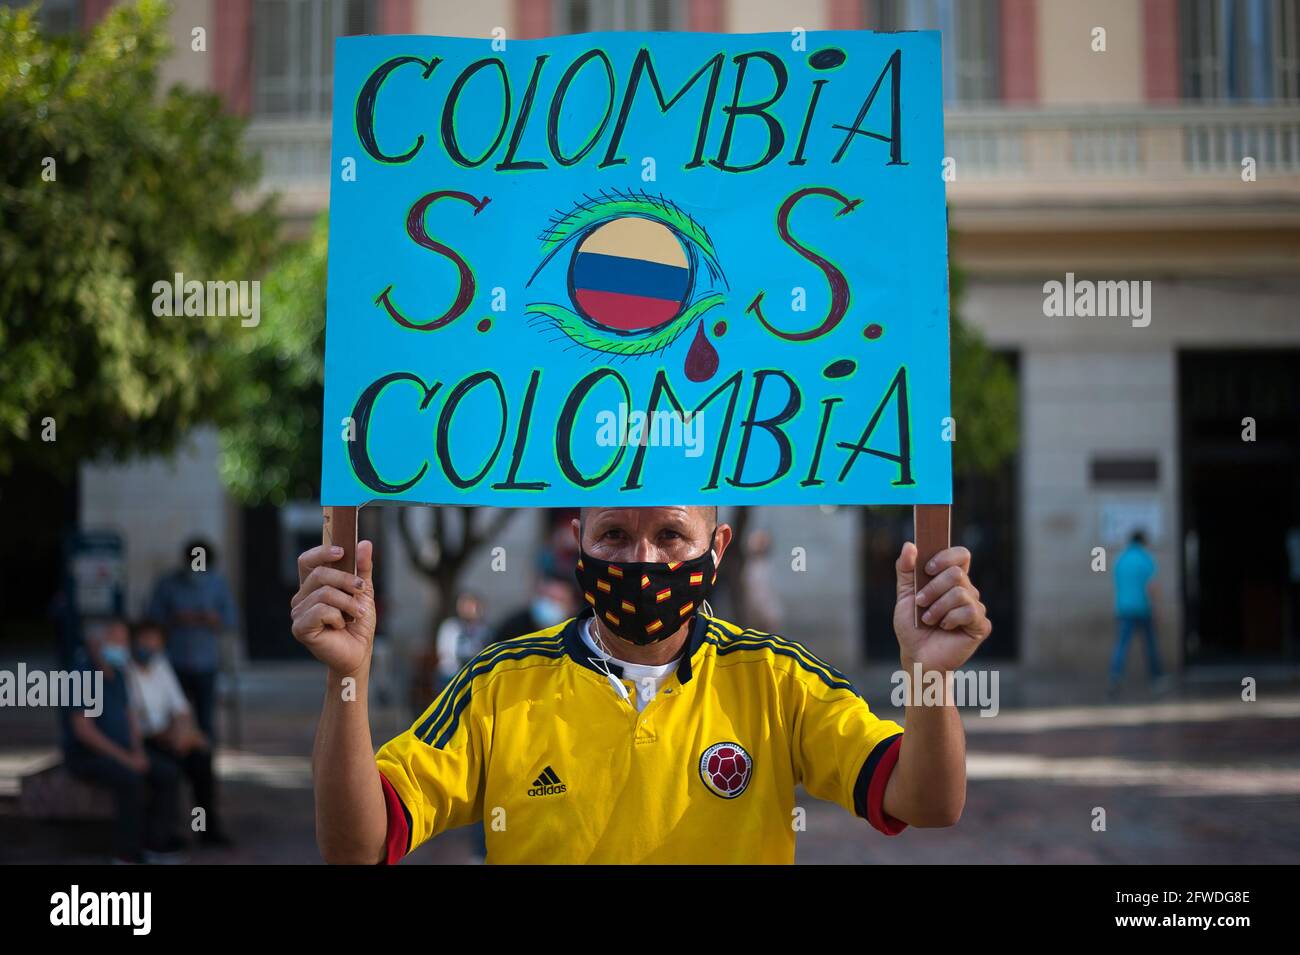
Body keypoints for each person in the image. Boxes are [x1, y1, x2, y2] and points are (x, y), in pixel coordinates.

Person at [290, 505, 991, 864]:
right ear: (578, 540)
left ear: (715, 547)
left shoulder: (777, 679)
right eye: (616, 535)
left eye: (670, 536)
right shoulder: (498, 683)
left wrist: (928, 677)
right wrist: (345, 679)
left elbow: (927, 801)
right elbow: (357, 843)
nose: (642, 558)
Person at [64, 619, 184, 864]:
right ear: (95, 642)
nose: (121, 646)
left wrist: (138, 752)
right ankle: (127, 854)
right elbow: (84, 732)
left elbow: (131, 719)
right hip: (89, 754)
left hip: (124, 751)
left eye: (123, 640)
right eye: (114, 640)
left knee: (167, 772)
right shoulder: (82, 675)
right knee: (130, 779)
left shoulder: (118, 674)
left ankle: (156, 843)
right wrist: (126, 758)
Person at [126, 618, 233, 848]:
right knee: (168, 773)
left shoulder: (161, 666)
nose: (149, 647)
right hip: (147, 741)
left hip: (172, 738)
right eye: (144, 641)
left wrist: (184, 734)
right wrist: (169, 736)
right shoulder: (126, 673)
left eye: (155, 642)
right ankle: (166, 834)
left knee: (201, 761)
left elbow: (181, 708)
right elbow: (135, 722)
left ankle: (204, 829)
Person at [147, 537, 238, 744]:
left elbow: (231, 620)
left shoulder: (218, 584)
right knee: (171, 718)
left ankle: (205, 766)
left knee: (205, 719)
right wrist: (176, 619)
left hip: (206, 662)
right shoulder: (169, 583)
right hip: (174, 661)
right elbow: (152, 620)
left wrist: (214, 619)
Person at [1108, 529, 1165, 696]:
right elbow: (1152, 587)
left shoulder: (1120, 559)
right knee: (1150, 645)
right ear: (1143, 541)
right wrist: (1157, 609)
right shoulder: (1145, 559)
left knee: (1121, 645)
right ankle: (1156, 678)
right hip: (1142, 608)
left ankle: (1115, 675)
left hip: (1123, 608)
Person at [487, 573, 579, 646]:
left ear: (573, 606)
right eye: (547, 597)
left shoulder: (579, 635)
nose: (550, 604)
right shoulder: (512, 628)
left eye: (559, 600)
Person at [434, 592, 489, 695]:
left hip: (474, 675)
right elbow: (447, 651)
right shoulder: (451, 627)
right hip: (451, 675)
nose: (473, 610)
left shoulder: (482, 628)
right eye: (469, 606)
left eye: (475, 606)